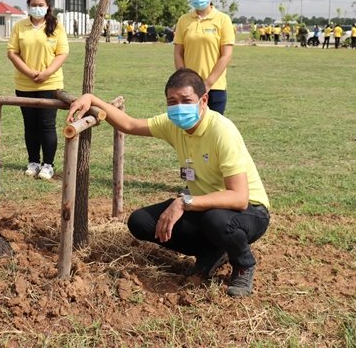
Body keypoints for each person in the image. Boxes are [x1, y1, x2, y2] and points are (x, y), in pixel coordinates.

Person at [66, 68, 270, 297]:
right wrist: (91, 98)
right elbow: (130, 125)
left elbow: (239, 198)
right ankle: (213, 251)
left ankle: (243, 264)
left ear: (204, 100)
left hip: (249, 211)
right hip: (205, 207)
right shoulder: (174, 125)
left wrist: (183, 202)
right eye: (172, 101)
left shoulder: (221, 131)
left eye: (186, 100)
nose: (179, 107)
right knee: (141, 222)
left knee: (217, 220)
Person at [7, 0, 69, 180]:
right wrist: (29, 72)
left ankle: (48, 164)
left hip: (50, 84)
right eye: (33, 5)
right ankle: (33, 161)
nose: (37, 8)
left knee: (47, 125)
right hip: (25, 84)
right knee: (30, 125)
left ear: (48, 6)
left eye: (40, 5)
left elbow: (62, 53)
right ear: (28, 6)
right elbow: (12, 52)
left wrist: (46, 73)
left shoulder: (56, 26)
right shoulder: (20, 27)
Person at [173, 0, 235, 115]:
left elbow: (226, 55)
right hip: (189, 88)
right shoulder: (184, 20)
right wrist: (184, 79)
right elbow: (178, 53)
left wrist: (207, 83)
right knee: (189, 130)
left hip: (215, 88)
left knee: (213, 131)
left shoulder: (223, 20)